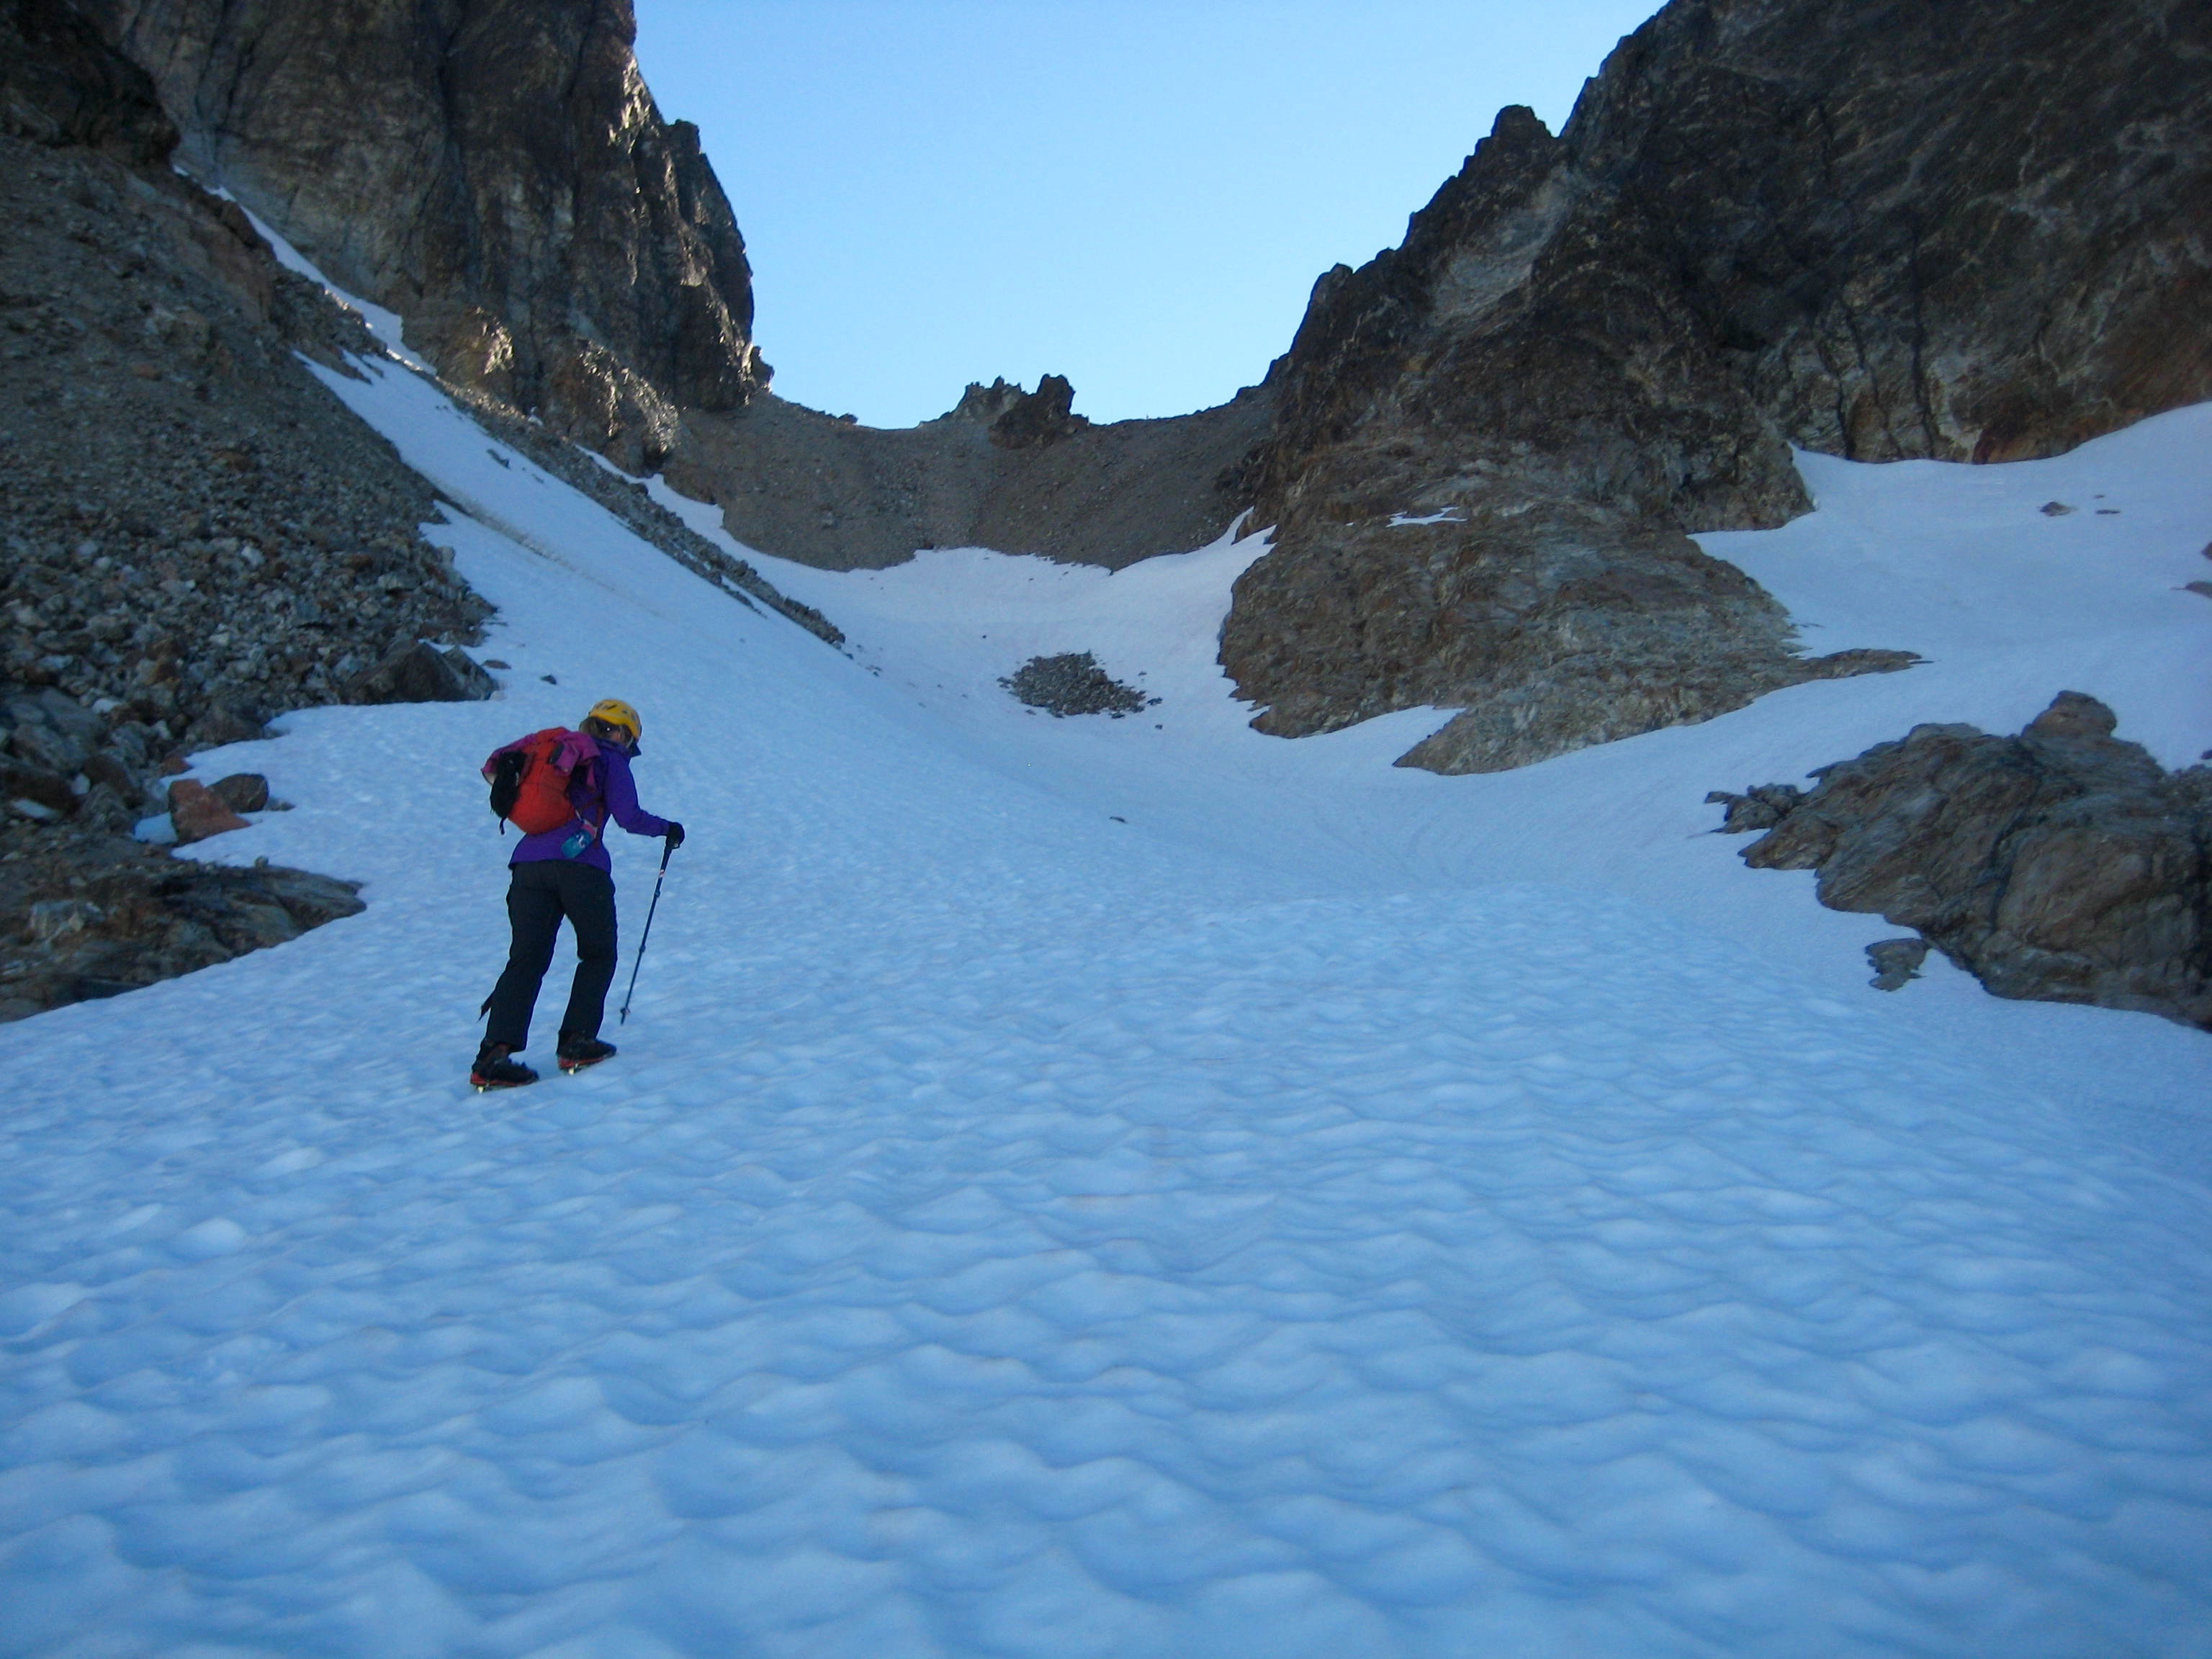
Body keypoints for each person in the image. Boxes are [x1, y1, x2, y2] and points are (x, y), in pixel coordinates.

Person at [472, 698, 684, 1089]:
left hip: (528, 866)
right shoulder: (610, 760)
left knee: (527, 958)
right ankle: (576, 1041)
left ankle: (492, 1056)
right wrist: (668, 828)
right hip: (581, 866)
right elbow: (628, 817)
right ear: (623, 734)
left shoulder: (557, 754)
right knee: (598, 952)